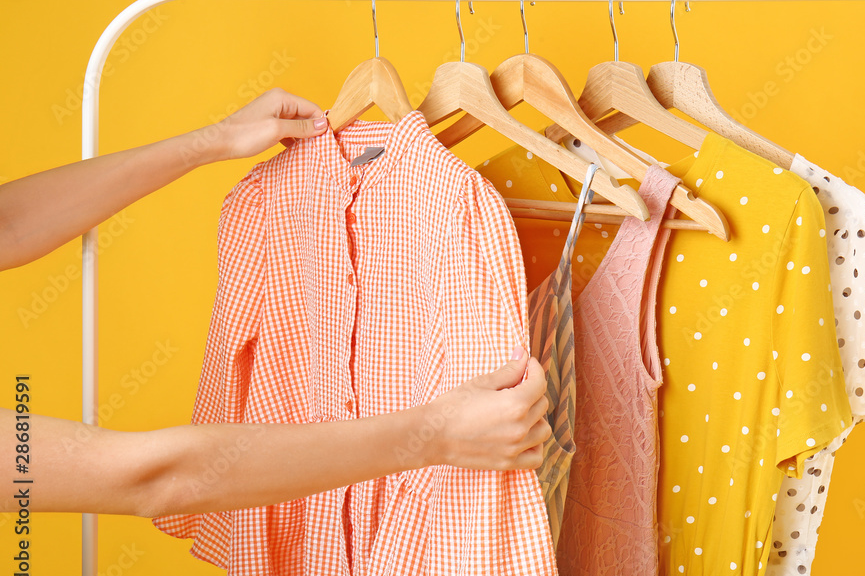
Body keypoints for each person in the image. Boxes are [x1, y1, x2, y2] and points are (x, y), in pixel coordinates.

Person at [0, 88, 549, 518]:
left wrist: (215, 140)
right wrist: (437, 433)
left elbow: (9, 224)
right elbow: (153, 479)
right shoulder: (269, 205)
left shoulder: (454, 198)